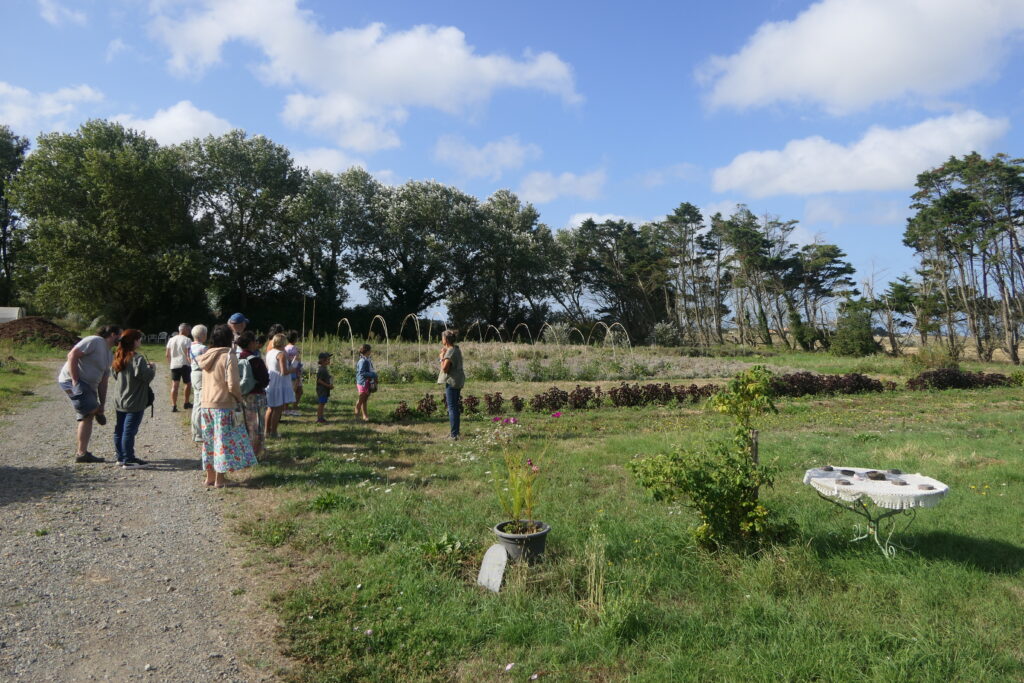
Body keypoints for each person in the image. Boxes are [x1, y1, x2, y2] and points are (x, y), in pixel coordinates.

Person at [197, 324, 256, 488]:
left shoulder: (206, 356)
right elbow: (233, 384)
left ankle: (209, 477)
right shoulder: (229, 356)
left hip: (206, 405)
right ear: (230, 339)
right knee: (221, 442)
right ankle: (220, 480)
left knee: (209, 442)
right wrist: (238, 398)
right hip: (223, 404)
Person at [57, 325, 122, 463]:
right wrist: (75, 380)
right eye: (119, 335)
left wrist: (103, 403)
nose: (121, 339)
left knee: (86, 417)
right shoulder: (94, 341)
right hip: (72, 381)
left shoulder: (109, 354)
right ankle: (95, 410)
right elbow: (72, 355)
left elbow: (104, 381)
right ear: (112, 334)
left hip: (89, 387)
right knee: (90, 411)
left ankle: (82, 454)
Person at [110, 329, 155, 468]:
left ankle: (121, 457)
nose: (140, 341)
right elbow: (146, 377)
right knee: (129, 431)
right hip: (134, 400)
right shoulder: (137, 358)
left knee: (119, 429)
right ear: (134, 341)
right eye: (139, 339)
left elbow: (115, 375)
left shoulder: (118, 356)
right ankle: (129, 459)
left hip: (120, 399)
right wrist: (152, 368)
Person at [238, 331, 270, 458]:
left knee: (244, 425)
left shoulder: (237, 358)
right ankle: (255, 455)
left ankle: (243, 452)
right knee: (256, 427)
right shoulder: (255, 360)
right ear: (251, 343)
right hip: (256, 396)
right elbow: (265, 380)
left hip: (241, 395)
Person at [264, 333, 295, 438]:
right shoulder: (281, 354)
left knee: (270, 408)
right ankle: (274, 432)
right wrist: (293, 369)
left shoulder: (269, 352)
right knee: (278, 409)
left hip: (270, 380)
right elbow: (284, 371)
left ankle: (266, 431)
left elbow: (268, 367)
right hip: (279, 382)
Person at [437, 329, 466, 439]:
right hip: (457, 380)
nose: (441, 340)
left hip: (452, 381)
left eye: (442, 338)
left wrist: (441, 358)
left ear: (446, 339)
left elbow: (444, 369)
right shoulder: (456, 349)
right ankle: (455, 432)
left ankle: (454, 435)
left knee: (452, 408)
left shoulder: (450, 351)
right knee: (454, 407)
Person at [188, 324, 209, 444]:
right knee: (200, 403)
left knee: (196, 402)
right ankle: (199, 433)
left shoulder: (190, 346)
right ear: (203, 335)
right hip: (200, 374)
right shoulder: (203, 348)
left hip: (193, 373)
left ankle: (195, 431)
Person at [165, 322, 193, 412]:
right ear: (184, 330)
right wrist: (191, 363)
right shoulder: (187, 340)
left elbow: (167, 354)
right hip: (185, 364)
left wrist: (170, 363)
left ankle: (173, 405)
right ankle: (186, 403)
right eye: (188, 329)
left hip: (174, 364)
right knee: (188, 383)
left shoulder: (171, 339)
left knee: (175, 385)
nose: (189, 331)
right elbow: (188, 353)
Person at [354, 344, 377, 422]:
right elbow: (362, 372)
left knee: (365, 400)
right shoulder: (362, 361)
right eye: (370, 350)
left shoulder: (367, 359)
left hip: (367, 381)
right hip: (362, 382)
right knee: (361, 399)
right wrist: (373, 375)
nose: (371, 351)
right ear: (367, 351)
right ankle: (356, 415)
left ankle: (365, 416)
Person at [284, 330, 303, 416]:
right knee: (295, 391)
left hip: (290, 372)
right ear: (295, 338)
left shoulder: (285, 348)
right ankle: (289, 409)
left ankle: (290, 408)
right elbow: (297, 362)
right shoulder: (294, 349)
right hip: (294, 373)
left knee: (297, 391)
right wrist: (298, 374)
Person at [315, 351, 334, 424]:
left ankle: (321, 417)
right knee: (321, 404)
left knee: (322, 403)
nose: (329, 361)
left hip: (324, 390)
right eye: (328, 359)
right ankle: (319, 418)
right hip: (322, 390)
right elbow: (319, 380)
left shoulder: (324, 368)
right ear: (323, 360)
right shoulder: (322, 369)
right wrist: (328, 386)